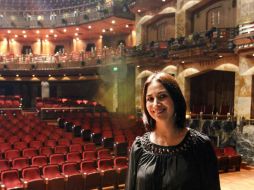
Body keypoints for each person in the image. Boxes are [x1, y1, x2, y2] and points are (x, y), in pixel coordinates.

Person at [125, 72, 220, 190]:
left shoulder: (200, 145)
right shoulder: (138, 147)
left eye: (162, 96)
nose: (155, 104)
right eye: (150, 99)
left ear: (176, 99)